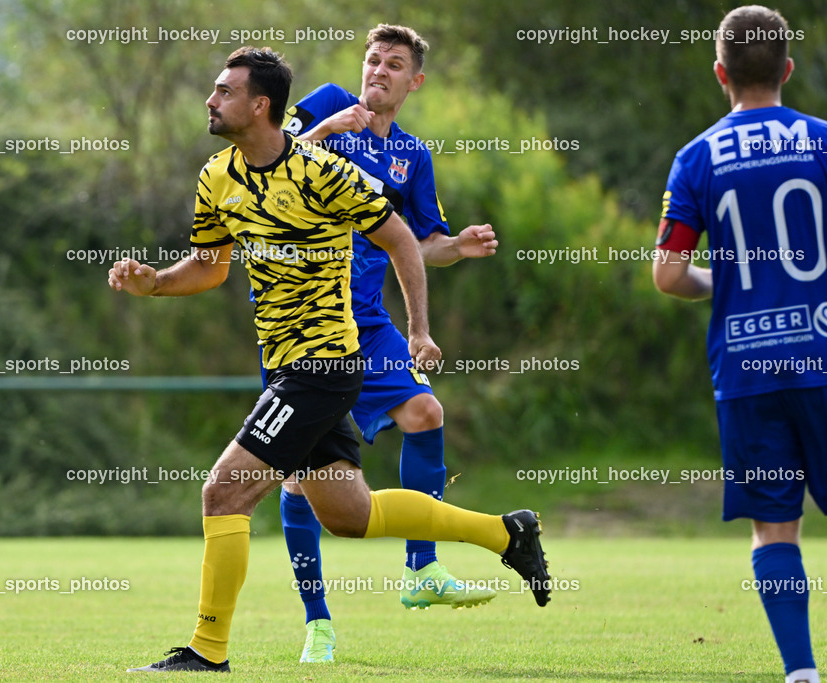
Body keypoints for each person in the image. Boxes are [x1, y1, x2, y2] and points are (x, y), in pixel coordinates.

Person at [110, 46, 551, 673]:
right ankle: (507, 532)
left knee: (223, 492)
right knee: (351, 514)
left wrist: (419, 328)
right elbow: (210, 267)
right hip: (283, 364)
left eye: (223, 91)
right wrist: (153, 282)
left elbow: (401, 239)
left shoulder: (322, 173)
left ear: (259, 105)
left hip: (322, 365)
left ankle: (207, 652)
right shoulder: (217, 176)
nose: (210, 101)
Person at [274, 24, 500, 663]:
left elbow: (415, 242)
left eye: (394, 64)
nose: (378, 71)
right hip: (302, 320)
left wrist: (456, 247)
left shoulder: (412, 156)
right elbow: (268, 167)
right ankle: (318, 622)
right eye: (373, 59)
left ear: (414, 82)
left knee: (426, 412)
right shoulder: (323, 105)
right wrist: (324, 132)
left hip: (367, 322)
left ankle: (421, 570)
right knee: (300, 480)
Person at [653, 7, 827, 682]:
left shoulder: (697, 156)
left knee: (772, 527)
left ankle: (801, 671)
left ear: (720, 74)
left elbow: (668, 274)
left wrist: (718, 279)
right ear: (787, 69)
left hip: (748, 368)